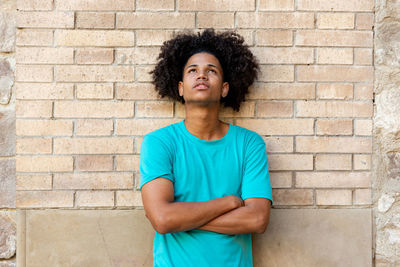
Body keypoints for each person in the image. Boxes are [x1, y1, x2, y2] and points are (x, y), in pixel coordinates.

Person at [139, 29, 273, 267]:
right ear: (180, 87)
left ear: (224, 88)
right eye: (193, 71)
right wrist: (228, 203)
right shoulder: (159, 142)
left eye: (211, 70)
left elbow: (257, 219)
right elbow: (161, 219)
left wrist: (179, 219)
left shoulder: (249, 144)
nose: (201, 75)